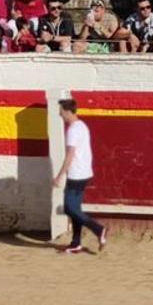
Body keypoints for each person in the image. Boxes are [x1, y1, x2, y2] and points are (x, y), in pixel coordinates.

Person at [52, 98, 107, 254]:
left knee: (70, 208)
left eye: (61, 112)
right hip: (85, 172)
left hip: (76, 174)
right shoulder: (82, 126)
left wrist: (59, 176)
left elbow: (70, 155)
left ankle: (98, 229)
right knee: (75, 208)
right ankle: (76, 243)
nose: (60, 115)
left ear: (68, 112)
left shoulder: (72, 130)